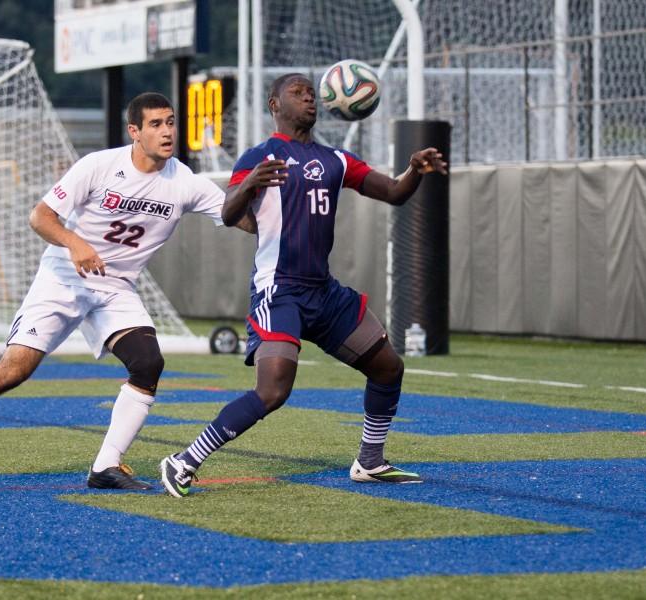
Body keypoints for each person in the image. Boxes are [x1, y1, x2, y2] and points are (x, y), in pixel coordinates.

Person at [0, 92, 242, 489]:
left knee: (148, 363)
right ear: (134, 132)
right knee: (13, 371)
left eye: (170, 122)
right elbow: (41, 217)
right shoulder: (99, 166)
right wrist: (75, 243)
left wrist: (257, 190)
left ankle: (106, 467)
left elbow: (235, 216)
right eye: (155, 124)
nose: (167, 131)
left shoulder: (185, 182)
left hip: (115, 288)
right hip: (62, 278)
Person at [159, 73, 447, 498]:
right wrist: (251, 183)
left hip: (323, 292)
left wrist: (415, 170)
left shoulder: (336, 159)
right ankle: (183, 460)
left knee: (388, 367)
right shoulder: (260, 155)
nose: (308, 97)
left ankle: (370, 462)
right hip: (280, 290)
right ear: (275, 106)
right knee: (273, 390)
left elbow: (394, 192)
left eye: (311, 92)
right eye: (297, 92)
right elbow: (226, 212)